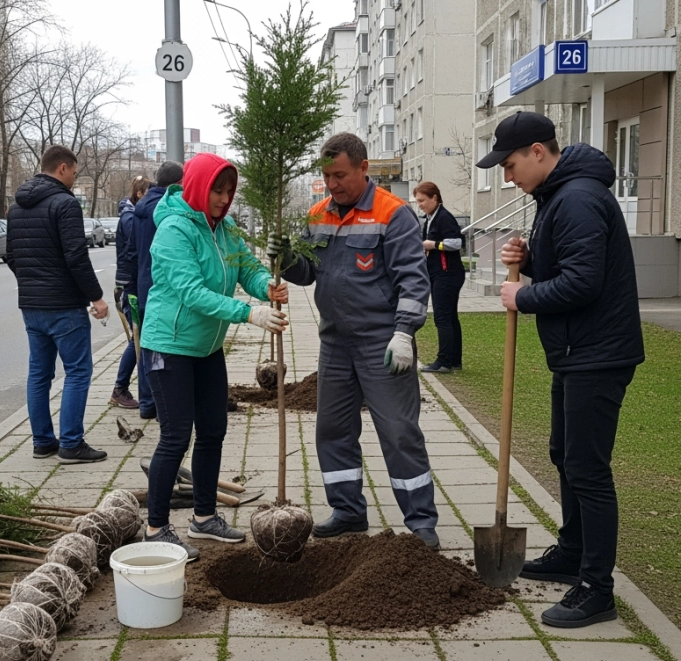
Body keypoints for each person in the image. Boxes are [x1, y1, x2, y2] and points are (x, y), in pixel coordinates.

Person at [478, 111, 644, 628]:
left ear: (537, 152)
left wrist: (522, 294)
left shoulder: (575, 199)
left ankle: (596, 587)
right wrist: (528, 260)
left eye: (509, 165)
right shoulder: (557, 196)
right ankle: (572, 551)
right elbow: (568, 265)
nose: (507, 176)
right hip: (578, 351)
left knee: (588, 469)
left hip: (598, 352)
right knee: (563, 454)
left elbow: (583, 283)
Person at [268, 132, 440, 549]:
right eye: (326, 176)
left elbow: (414, 282)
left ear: (364, 168)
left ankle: (420, 521)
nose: (332, 184)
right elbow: (308, 272)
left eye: (340, 175)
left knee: (398, 431)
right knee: (332, 429)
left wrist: (404, 333)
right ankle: (347, 511)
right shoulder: (319, 213)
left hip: (382, 343)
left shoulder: (393, 214)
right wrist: (285, 257)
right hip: (335, 343)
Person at [140, 153, 289, 559]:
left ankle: (204, 519)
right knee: (175, 437)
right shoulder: (173, 230)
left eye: (229, 191)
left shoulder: (225, 230)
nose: (224, 199)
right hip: (168, 347)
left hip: (206, 348)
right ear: (198, 189)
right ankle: (155, 529)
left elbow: (248, 269)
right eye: (217, 191)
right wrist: (249, 313)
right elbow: (191, 292)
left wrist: (266, 288)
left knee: (213, 430)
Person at [6, 145, 110, 464]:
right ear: (62, 168)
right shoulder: (65, 204)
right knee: (78, 371)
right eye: (74, 173)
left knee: (39, 373)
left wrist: (31, 282)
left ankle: (42, 442)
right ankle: (71, 444)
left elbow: (11, 256)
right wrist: (96, 297)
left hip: (32, 305)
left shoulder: (16, 208)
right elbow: (76, 258)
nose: (74, 179)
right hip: (64, 305)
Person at [124, 161, 184, 420]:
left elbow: (131, 252)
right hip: (164, 288)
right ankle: (163, 407)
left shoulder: (140, 209)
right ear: (178, 184)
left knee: (146, 346)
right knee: (165, 349)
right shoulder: (168, 211)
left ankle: (147, 403)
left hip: (143, 285)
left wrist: (129, 288)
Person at [414, 181, 467, 373]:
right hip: (439, 273)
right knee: (451, 317)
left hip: (447, 274)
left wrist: (433, 245)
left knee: (442, 317)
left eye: (422, 200)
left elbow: (457, 242)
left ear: (434, 198)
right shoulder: (430, 218)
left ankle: (444, 361)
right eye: (417, 201)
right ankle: (454, 360)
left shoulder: (444, 218)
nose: (419, 204)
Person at [110, 176, 152, 409]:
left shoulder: (132, 215)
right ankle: (120, 388)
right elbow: (135, 251)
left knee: (138, 337)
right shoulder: (130, 218)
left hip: (132, 284)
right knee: (136, 338)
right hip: (130, 286)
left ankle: (121, 388)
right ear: (139, 195)